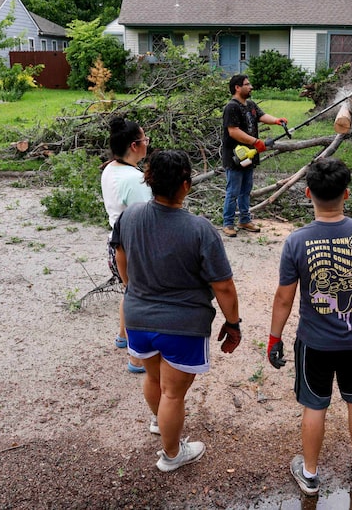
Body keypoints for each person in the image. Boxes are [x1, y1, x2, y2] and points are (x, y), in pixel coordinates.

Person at [266, 157, 352, 495]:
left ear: (308, 193)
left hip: (315, 342)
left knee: (315, 405)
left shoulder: (296, 241)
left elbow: (283, 298)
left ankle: (309, 475)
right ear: (346, 194)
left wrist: (274, 338)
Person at [110, 149, 242, 472]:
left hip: (138, 318)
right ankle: (171, 454)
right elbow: (223, 286)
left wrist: (135, 291)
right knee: (172, 393)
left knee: (154, 378)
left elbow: (120, 259)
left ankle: (161, 424)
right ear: (186, 184)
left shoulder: (129, 217)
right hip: (182, 326)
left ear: (148, 179)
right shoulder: (200, 230)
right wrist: (233, 323)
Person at [101, 116, 152, 374]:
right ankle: (137, 356)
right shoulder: (134, 180)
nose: (147, 143)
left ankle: (123, 336)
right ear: (134, 145)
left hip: (115, 243)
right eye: (145, 140)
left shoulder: (110, 168)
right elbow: (148, 220)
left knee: (129, 292)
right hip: (133, 249)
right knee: (140, 300)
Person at [221, 74, 288, 238]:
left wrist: (276, 121)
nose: (250, 87)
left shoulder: (250, 104)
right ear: (237, 87)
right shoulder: (232, 107)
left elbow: (261, 116)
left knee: (246, 190)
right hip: (235, 156)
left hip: (250, 156)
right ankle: (228, 223)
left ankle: (244, 220)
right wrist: (256, 141)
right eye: (247, 84)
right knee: (233, 191)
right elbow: (233, 131)